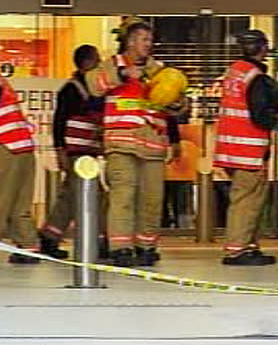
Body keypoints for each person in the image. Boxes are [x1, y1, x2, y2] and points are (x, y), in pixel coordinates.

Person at [86, 17, 186, 267]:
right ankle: (120, 247)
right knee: (123, 197)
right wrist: (122, 74)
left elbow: (179, 107)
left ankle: (145, 246)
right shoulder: (111, 65)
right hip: (121, 145)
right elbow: (93, 86)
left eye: (151, 40)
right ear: (130, 41)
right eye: (144, 39)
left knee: (152, 200)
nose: (149, 44)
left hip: (152, 146)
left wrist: (176, 104)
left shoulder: (161, 71)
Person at [214, 30, 278, 265]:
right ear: (262, 49)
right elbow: (259, 115)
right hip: (248, 150)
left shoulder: (234, 72)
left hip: (231, 148)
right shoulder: (255, 77)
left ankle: (249, 246)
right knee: (246, 201)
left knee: (249, 200)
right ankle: (236, 250)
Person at [40, 45, 107, 259]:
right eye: (97, 59)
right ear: (87, 62)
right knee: (95, 196)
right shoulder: (72, 88)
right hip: (77, 151)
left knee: (70, 196)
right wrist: (60, 150)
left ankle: (50, 237)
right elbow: (59, 120)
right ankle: (101, 241)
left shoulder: (91, 88)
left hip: (85, 151)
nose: (100, 63)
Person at [0, 75, 40, 263]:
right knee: (20, 204)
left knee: (3, 200)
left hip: (5, 145)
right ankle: (29, 246)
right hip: (23, 145)